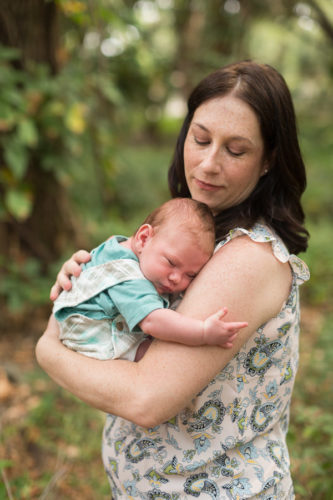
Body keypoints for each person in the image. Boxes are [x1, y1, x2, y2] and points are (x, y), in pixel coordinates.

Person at [36, 60, 310, 499]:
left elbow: (147, 398)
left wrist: (50, 345)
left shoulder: (248, 257)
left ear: (268, 161)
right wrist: (92, 288)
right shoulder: (203, 233)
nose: (208, 163)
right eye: (200, 139)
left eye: (235, 150)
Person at [53, 198, 247, 361]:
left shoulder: (121, 247)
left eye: (191, 275)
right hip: (90, 335)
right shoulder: (128, 276)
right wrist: (203, 332)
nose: (176, 279)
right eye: (171, 262)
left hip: (75, 325)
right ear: (144, 238)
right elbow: (153, 322)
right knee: (154, 355)